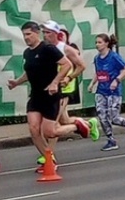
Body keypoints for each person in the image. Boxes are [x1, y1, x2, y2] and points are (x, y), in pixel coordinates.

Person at [6, 21, 76, 175]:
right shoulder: (27, 53)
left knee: (50, 132)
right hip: (36, 96)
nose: (26, 38)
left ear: (37, 33)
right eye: (24, 35)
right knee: (33, 128)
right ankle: (49, 159)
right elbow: (30, 72)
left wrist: (55, 82)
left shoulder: (48, 49)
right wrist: (17, 82)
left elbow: (67, 64)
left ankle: (78, 126)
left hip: (50, 96)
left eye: (29, 34)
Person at [92, 33, 125, 151]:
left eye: (100, 42)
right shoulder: (97, 58)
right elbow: (98, 72)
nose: (97, 45)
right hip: (101, 91)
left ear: (107, 43)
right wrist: (92, 83)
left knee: (114, 118)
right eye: (96, 42)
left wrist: (117, 80)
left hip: (113, 92)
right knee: (102, 116)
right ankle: (111, 140)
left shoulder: (114, 57)